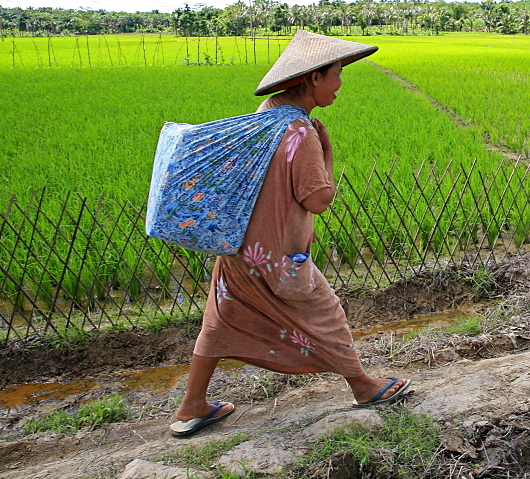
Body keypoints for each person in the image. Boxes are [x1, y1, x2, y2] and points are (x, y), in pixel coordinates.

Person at [170, 30, 412, 437]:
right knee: (326, 311)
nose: (340, 85)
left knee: (220, 318)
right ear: (314, 78)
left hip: (237, 247)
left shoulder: (264, 116)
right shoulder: (300, 132)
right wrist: (328, 153)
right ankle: (364, 386)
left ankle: (191, 405)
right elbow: (317, 199)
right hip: (277, 255)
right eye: (337, 74)